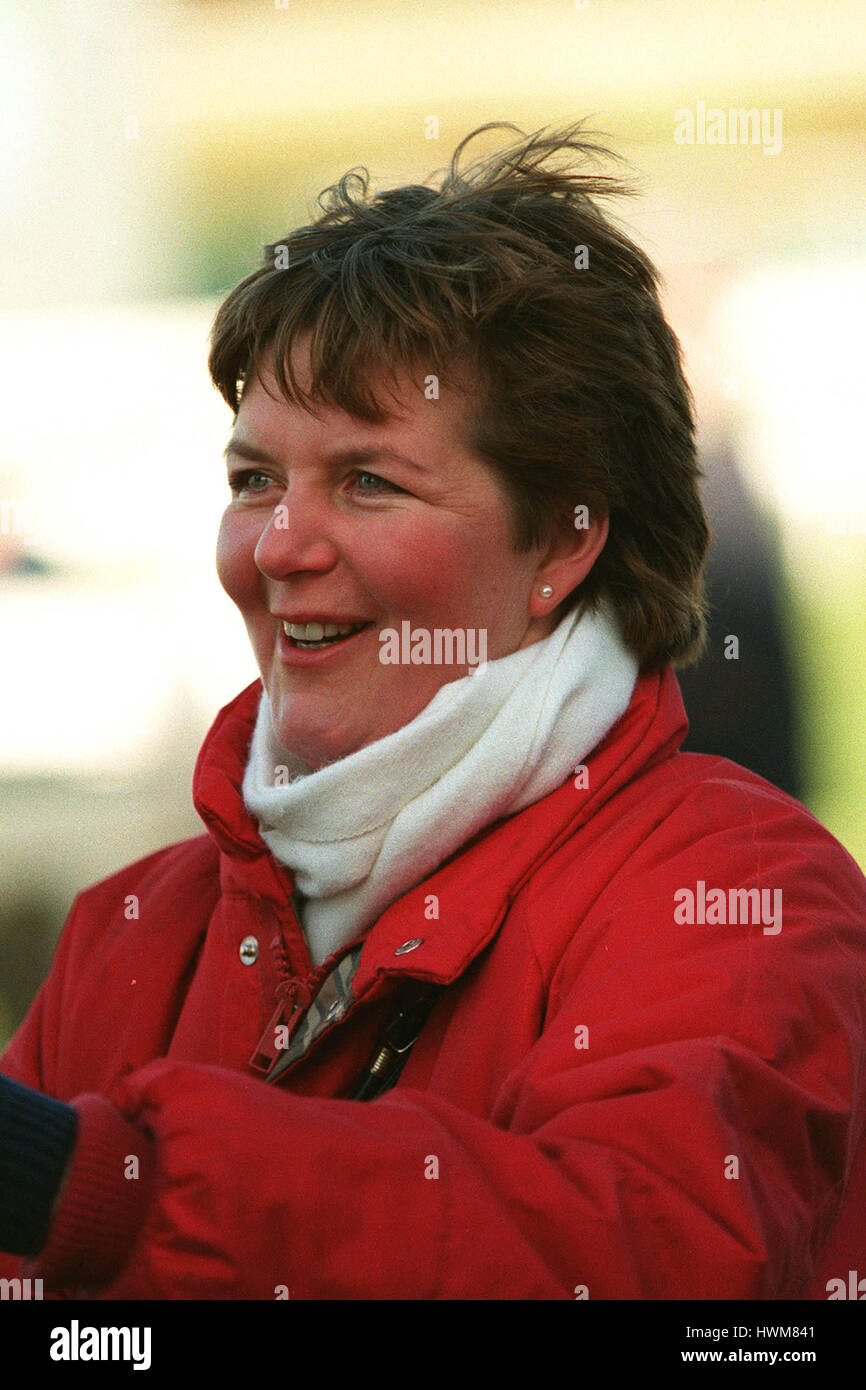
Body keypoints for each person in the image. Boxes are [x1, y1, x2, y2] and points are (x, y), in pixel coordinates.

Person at [0, 121, 864, 1301]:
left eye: (367, 480)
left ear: (564, 539)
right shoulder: (135, 928)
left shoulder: (735, 891)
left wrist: (107, 1186)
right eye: (254, 479)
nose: (278, 546)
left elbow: (644, 1261)